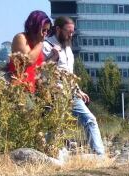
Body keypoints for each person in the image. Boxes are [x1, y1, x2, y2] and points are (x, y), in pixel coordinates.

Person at [43, 16, 105, 156]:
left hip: (71, 93)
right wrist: (54, 55)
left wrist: (78, 90)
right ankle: (49, 155)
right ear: (58, 29)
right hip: (56, 93)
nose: (71, 35)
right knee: (56, 126)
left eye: (73, 32)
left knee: (90, 119)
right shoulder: (46, 45)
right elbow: (43, 71)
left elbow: (68, 73)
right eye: (68, 31)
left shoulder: (68, 47)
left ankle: (99, 156)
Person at [9, 11, 51, 93]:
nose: (45, 34)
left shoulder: (37, 45)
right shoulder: (21, 38)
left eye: (47, 31)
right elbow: (28, 61)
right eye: (43, 30)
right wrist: (40, 43)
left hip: (32, 90)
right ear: (35, 27)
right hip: (19, 89)